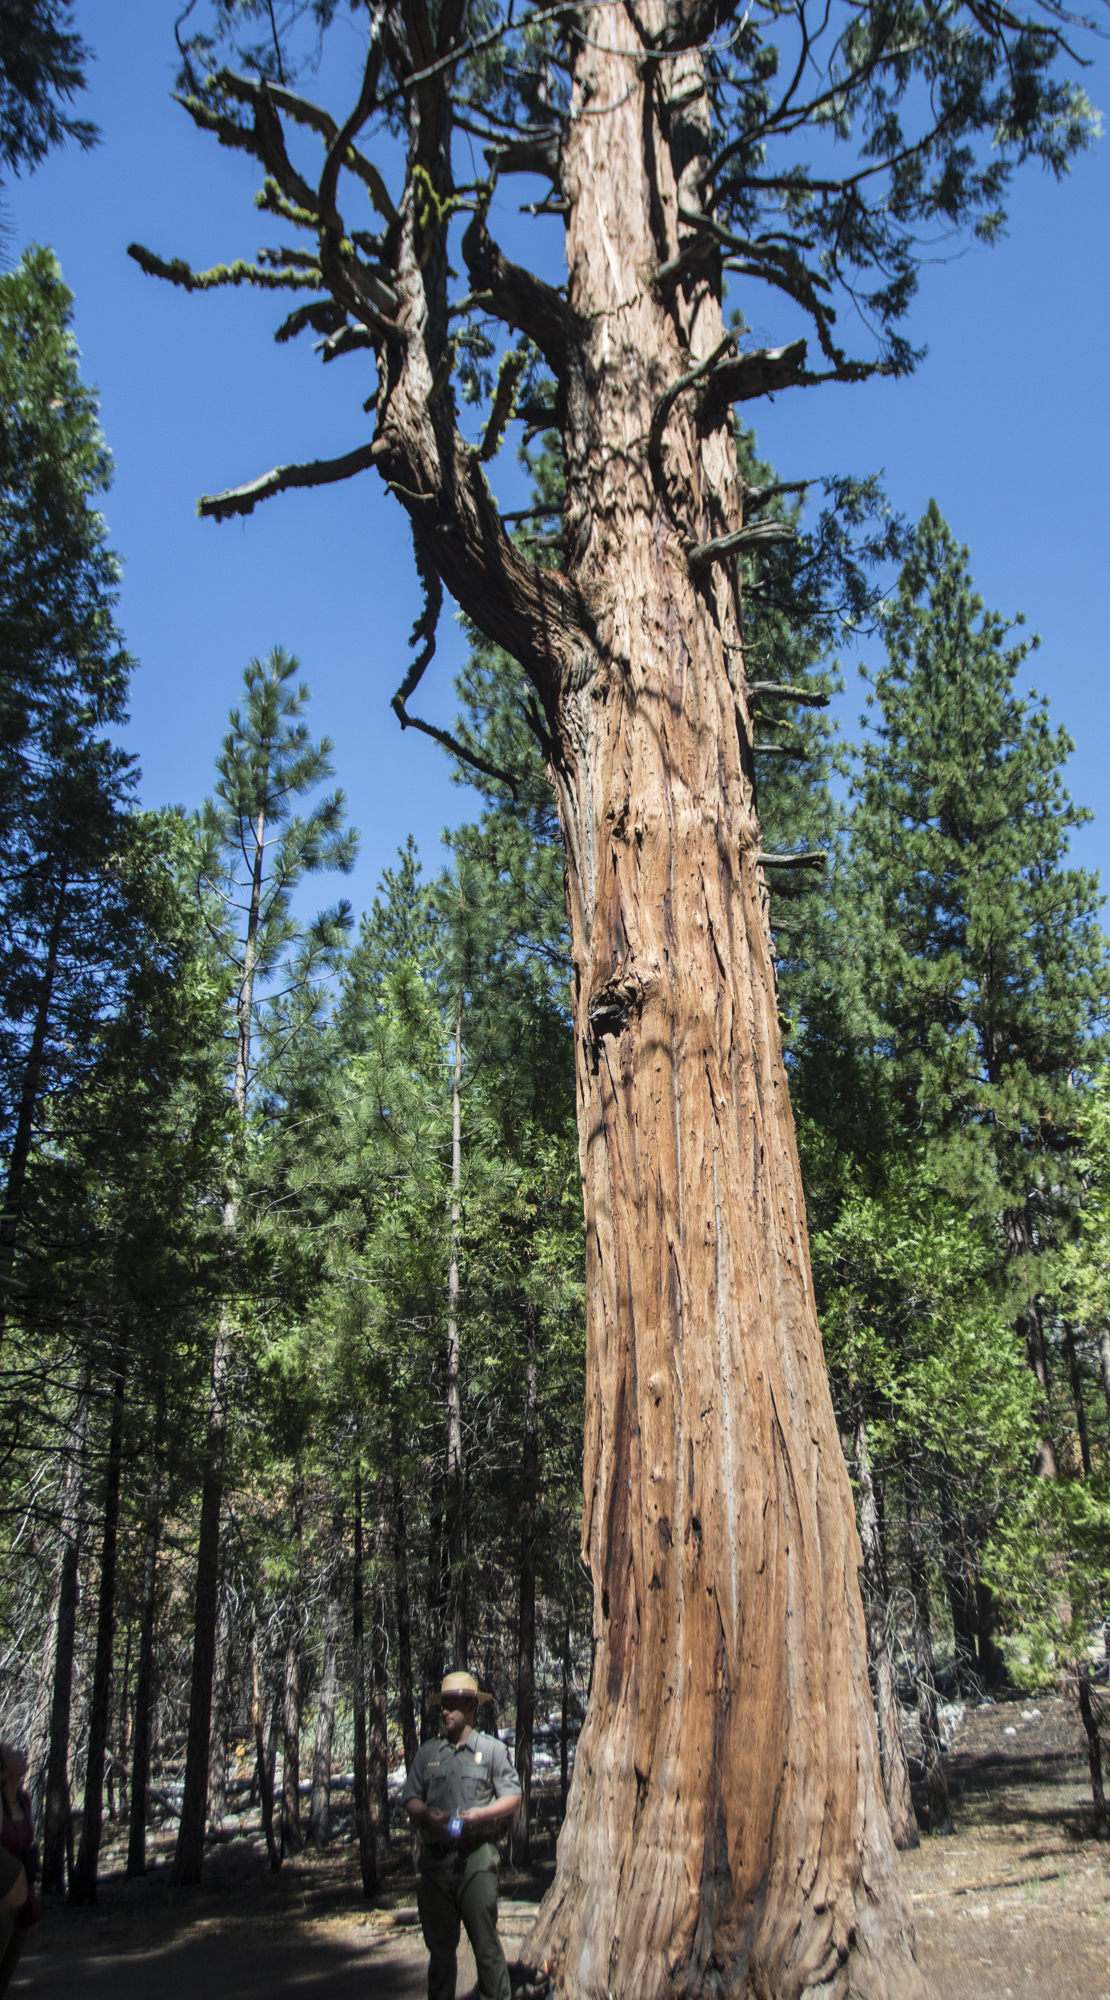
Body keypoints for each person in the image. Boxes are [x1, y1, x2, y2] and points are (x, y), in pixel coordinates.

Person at [403, 1671, 521, 2000]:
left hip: (476, 1858)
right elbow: (410, 1797)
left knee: (485, 1946)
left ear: (471, 1706)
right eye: (443, 1705)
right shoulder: (428, 1753)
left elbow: (513, 1796)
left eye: (453, 1705)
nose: (445, 1711)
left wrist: (483, 1814)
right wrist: (428, 1815)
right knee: (440, 1953)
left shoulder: (493, 1750)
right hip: (436, 1862)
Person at [0, 1744, 37, 1996]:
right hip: (1, 1900)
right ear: (2, 1773)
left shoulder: (24, 1800)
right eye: (11, 1754)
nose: (20, 1754)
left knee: (5, 1977)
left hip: (24, 1896)